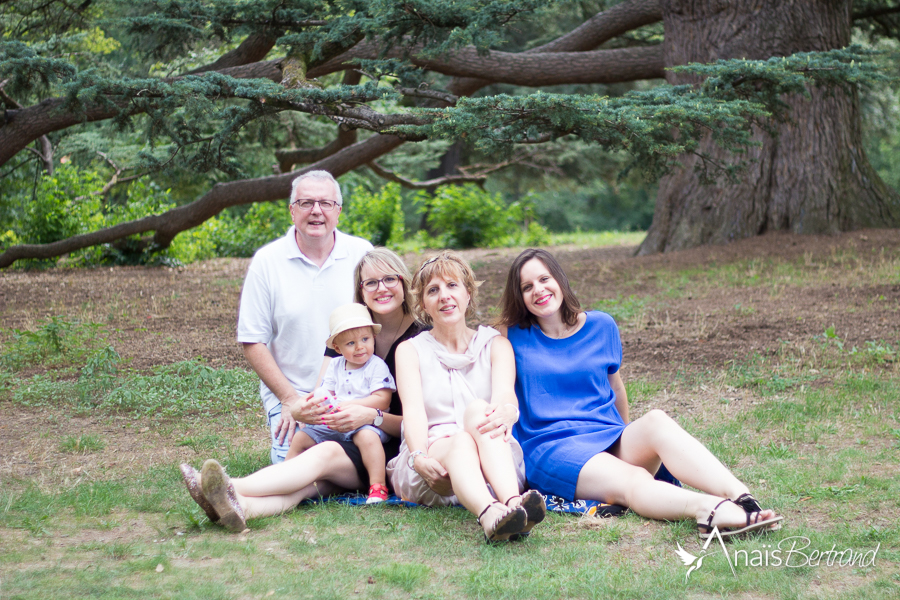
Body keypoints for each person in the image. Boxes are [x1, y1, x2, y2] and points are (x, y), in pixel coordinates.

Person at [497, 248, 783, 539]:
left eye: (544, 279)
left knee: (656, 421)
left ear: (559, 279)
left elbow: (616, 388)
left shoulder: (601, 326)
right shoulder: (511, 336)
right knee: (633, 478)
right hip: (553, 447)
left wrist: (625, 436)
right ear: (519, 296)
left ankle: (742, 497)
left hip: (605, 434)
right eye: (527, 287)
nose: (539, 290)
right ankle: (708, 510)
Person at [181, 248, 445, 531]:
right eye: (371, 282)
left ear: (404, 283)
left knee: (325, 454)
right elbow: (321, 394)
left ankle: (230, 486)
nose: (381, 288)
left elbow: (428, 420)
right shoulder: (347, 332)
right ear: (361, 290)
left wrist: (370, 417)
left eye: (389, 279)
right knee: (310, 485)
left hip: (390, 449)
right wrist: (306, 409)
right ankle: (242, 506)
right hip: (343, 436)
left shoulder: (423, 338)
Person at [388, 251, 547, 543]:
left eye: (452, 286)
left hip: (493, 459)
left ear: (468, 293)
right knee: (459, 439)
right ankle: (489, 514)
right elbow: (413, 412)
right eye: (433, 290)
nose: (444, 296)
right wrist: (418, 456)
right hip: (434, 462)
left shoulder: (495, 345)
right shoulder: (410, 351)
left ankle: (513, 504)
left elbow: (503, 396)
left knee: (478, 410)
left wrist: (509, 411)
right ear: (423, 303)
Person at [236, 170, 372, 464]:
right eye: (306, 203)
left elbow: (384, 320)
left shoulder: (362, 253)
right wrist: (290, 400)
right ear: (292, 210)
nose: (316, 211)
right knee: (293, 468)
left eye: (325, 203)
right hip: (294, 394)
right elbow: (252, 340)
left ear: (339, 210)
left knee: (365, 460)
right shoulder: (267, 262)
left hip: (356, 388)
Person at [285, 303, 396, 505]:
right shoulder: (335, 365)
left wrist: (354, 406)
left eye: (365, 339)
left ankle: (378, 485)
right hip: (337, 421)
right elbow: (327, 392)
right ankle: (284, 475)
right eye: (351, 343)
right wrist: (323, 404)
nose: (360, 347)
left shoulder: (376, 366)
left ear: (374, 338)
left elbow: (383, 399)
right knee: (301, 438)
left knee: (368, 438)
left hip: (366, 422)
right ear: (337, 348)